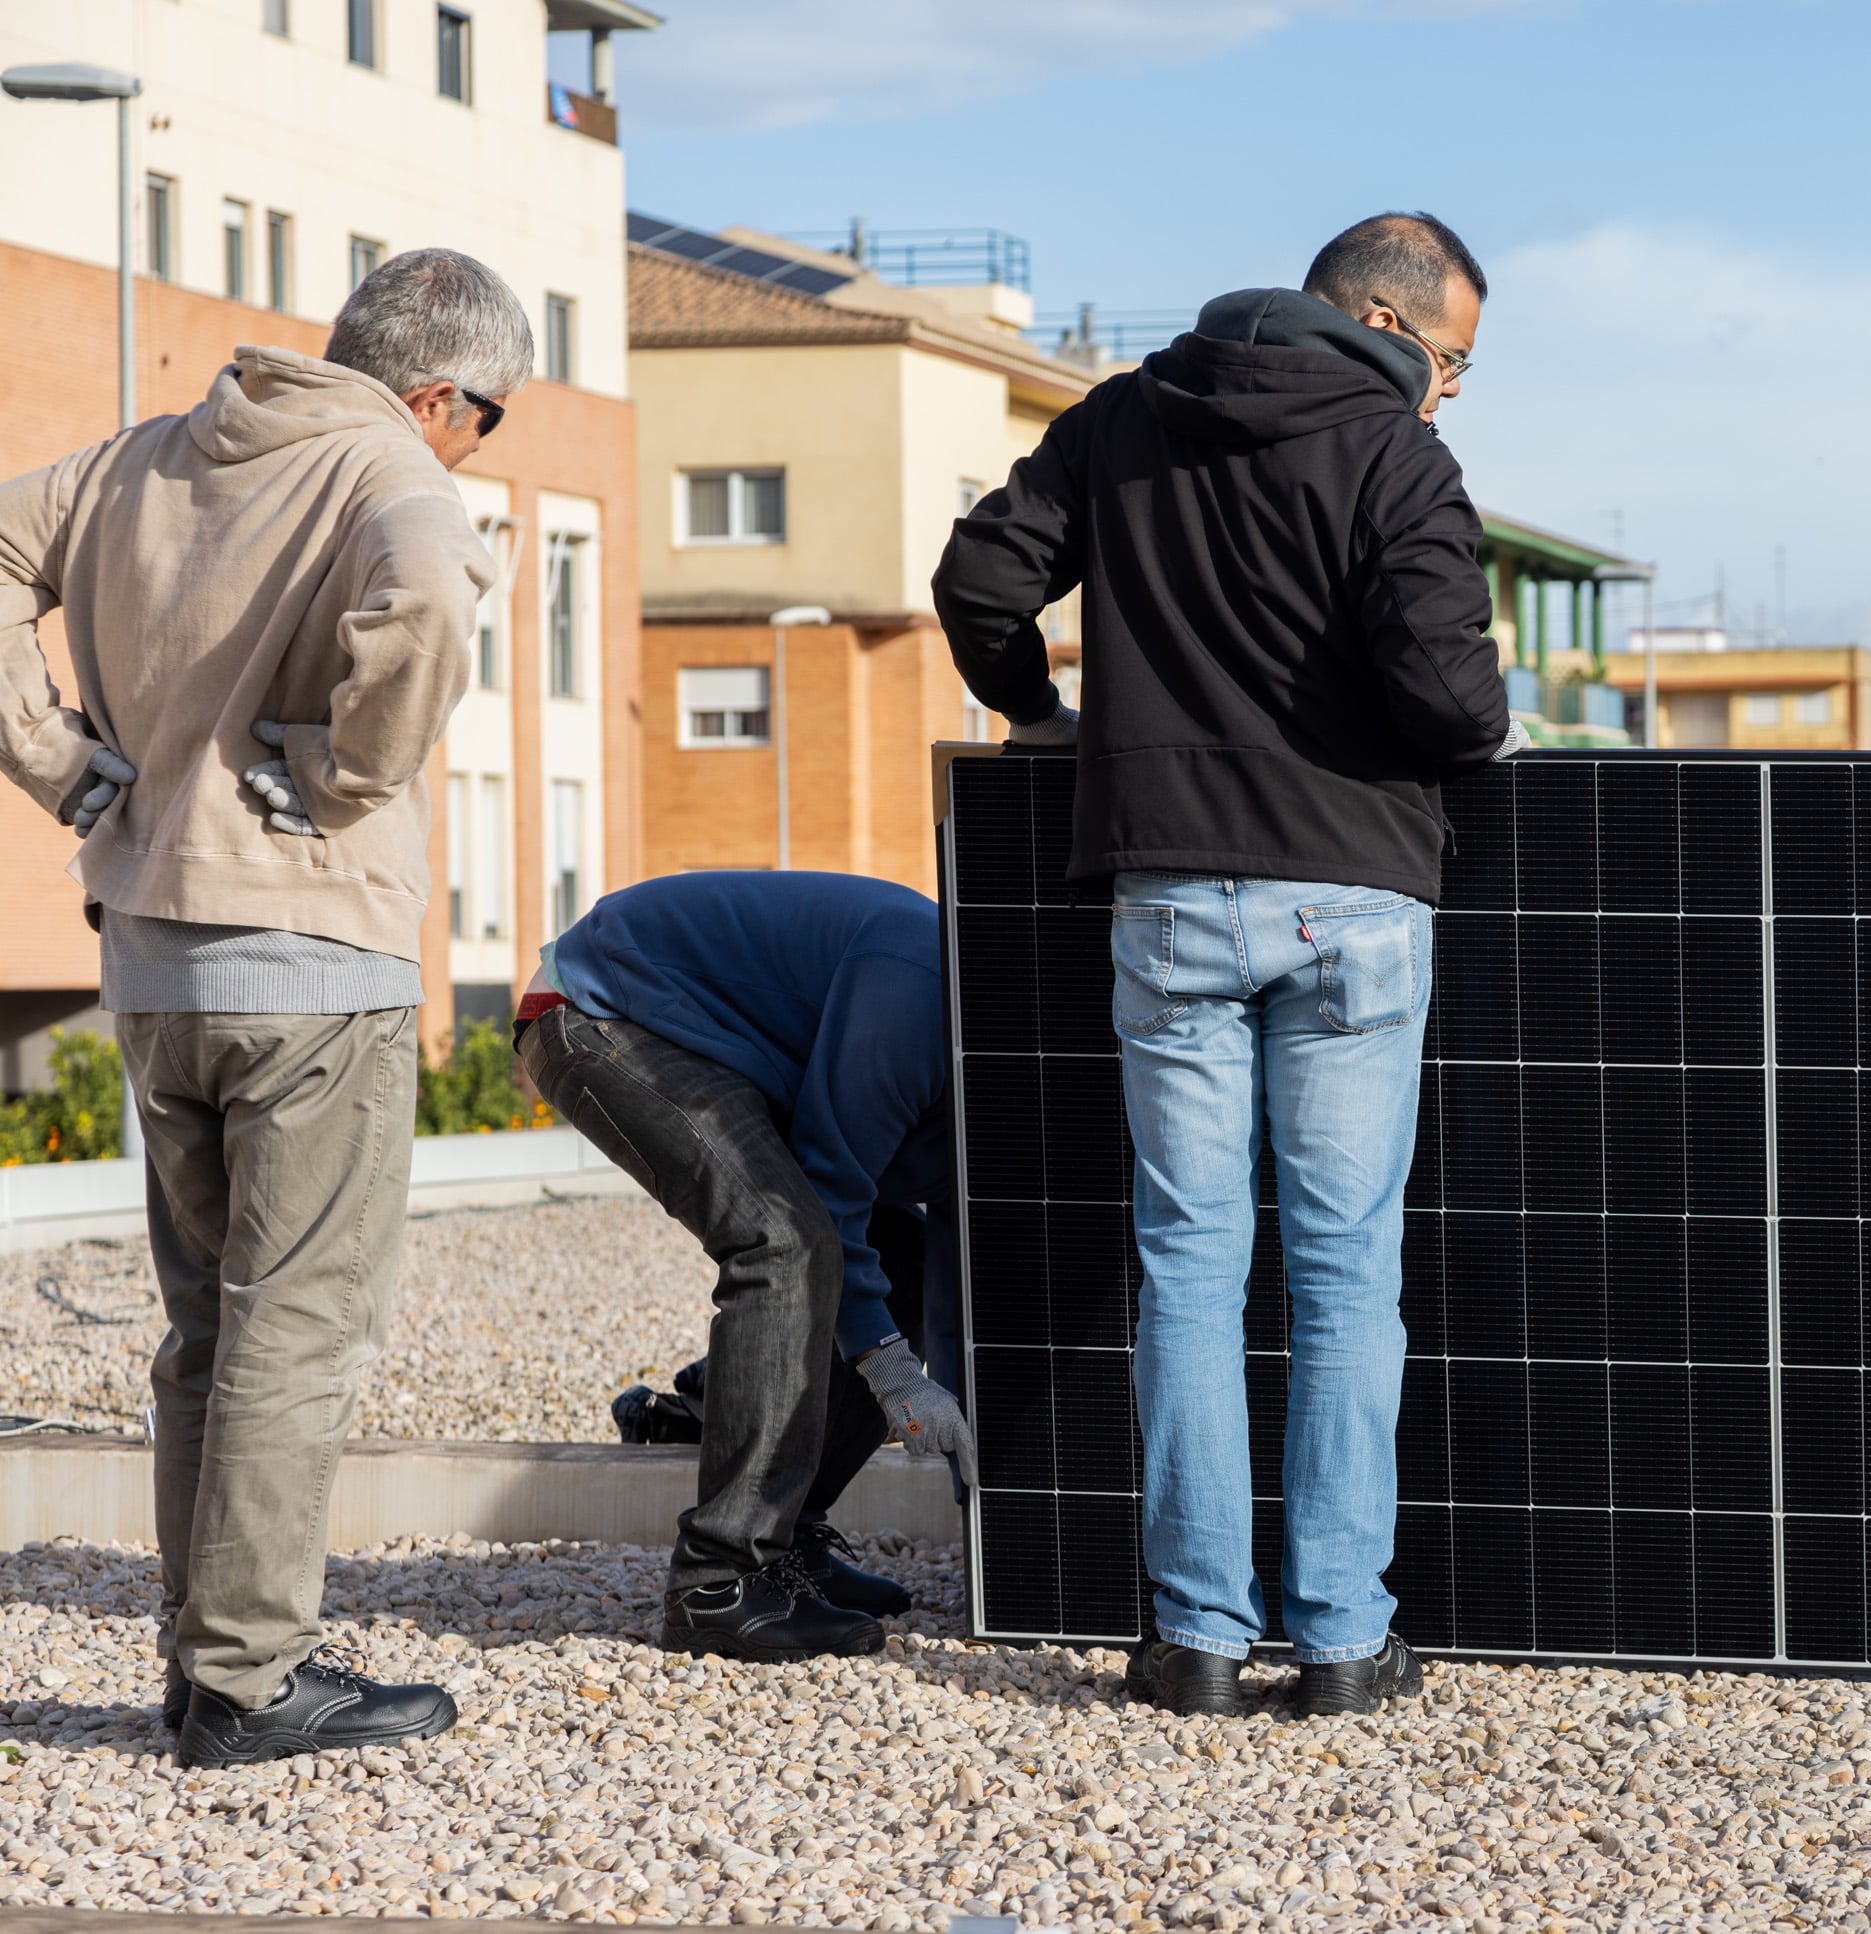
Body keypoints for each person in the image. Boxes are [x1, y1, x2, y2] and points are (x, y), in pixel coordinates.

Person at [934, 211, 1521, 1718]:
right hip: (1352, 902)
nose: (1448, 393)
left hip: (1169, 899)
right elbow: (1453, 705)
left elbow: (984, 583)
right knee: (1342, 1275)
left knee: (1188, 1270)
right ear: (1387, 327)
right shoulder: (1398, 456)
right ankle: (1338, 1640)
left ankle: (1194, 1636)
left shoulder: (1131, 416)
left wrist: (1044, 721)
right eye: (1449, 361)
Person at [0, 249, 526, 1766]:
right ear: (435, 391)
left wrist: (55, 763)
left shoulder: (153, 448)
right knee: (295, 1328)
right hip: (309, 964)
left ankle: (201, 1652)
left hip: (154, 962)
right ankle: (246, 1678)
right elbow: (427, 587)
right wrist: (352, 773)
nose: (478, 446)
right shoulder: (387, 467)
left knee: (203, 1332)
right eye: (485, 420)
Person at [517, 869, 970, 1661]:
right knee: (785, 1243)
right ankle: (721, 1581)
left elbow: (949, 1268)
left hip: (719, 1040)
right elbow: (829, 1191)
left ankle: (787, 1539)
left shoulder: (1025, 1087)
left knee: (894, 1262)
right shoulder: (923, 994)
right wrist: (894, 1373)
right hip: (607, 1009)